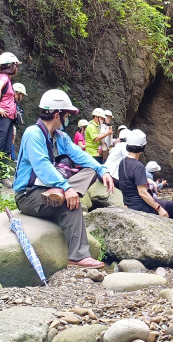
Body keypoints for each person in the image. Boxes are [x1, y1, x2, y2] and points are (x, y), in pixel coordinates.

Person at [13, 89, 114, 269]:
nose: (68, 118)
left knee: (90, 171)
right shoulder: (33, 133)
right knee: (71, 204)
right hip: (28, 194)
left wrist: (102, 169)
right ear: (58, 115)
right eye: (67, 114)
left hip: (51, 188)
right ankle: (78, 256)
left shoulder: (60, 137)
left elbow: (79, 155)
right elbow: (42, 166)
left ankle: (59, 193)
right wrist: (67, 188)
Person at [118, 129, 173, 250]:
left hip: (130, 203)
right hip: (140, 205)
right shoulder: (138, 166)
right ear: (142, 148)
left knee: (169, 208)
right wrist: (159, 208)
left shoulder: (122, 162)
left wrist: (126, 203)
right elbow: (142, 193)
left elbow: (124, 184)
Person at [0, 52, 21, 169]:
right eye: (16, 65)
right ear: (12, 65)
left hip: (9, 118)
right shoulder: (3, 77)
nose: (17, 68)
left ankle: (3, 176)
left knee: (6, 147)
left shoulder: (8, 79)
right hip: (2, 117)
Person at [10, 82, 28, 161]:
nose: (22, 97)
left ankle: (12, 157)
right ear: (17, 93)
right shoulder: (10, 101)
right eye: (22, 95)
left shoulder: (14, 102)